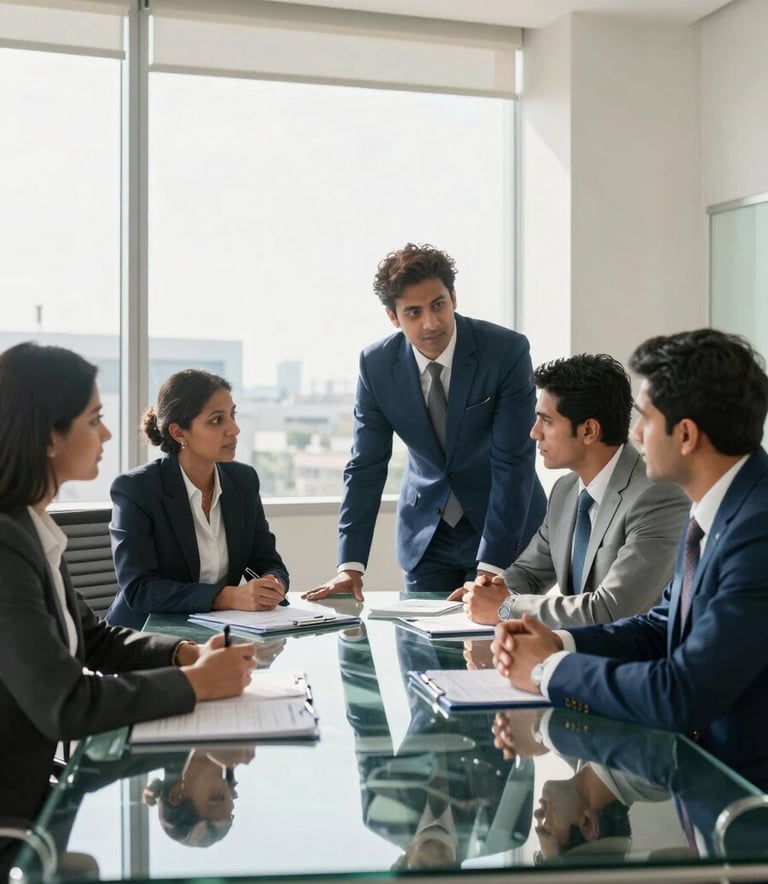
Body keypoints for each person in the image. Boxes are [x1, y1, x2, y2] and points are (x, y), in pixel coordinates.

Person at [0, 342, 255, 869]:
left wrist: (182, 654)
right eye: (94, 420)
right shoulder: (5, 545)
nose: (108, 435)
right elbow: (67, 703)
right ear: (50, 436)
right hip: (14, 817)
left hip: (36, 794)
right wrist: (195, 684)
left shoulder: (29, 527)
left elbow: (94, 637)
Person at [491, 329, 768, 787]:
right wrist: (560, 644)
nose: (634, 434)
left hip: (744, 798)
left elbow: (683, 692)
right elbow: (661, 626)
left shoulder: (757, 529)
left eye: (645, 418)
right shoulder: (715, 506)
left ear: (685, 435)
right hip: (700, 773)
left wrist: (547, 670)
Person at [304, 242, 546, 601]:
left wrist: (491, 567)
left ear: (454, 299)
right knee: (422, 650)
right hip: (426, 537)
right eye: (413, 313)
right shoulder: (376, 365)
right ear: (393, 317)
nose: (430, 323)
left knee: (493, 651)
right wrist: (350, 565)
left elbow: (514, 461)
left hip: (504, 531)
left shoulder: (505, 351)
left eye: (438, 305)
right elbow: (365, 466)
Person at [451, 354, 689, 627]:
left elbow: (613, 609)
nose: (534, 433)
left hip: (635, 661)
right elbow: (529, 573)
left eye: (547, 421)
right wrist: (487, 590)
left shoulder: (657, 496)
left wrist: (507, 608)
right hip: (575, 652)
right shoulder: (565, 491)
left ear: (589, 430)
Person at [105, 369, 289, 629]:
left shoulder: (243, 481)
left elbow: (268, 561)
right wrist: (227, 596)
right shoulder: (136, 489)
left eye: (232, 415)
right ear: (179, 433)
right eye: (216, 420)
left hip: (213, 632)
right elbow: (140, 590)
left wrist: (273, 583)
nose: (234, 429)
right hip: (142, 638)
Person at [143, 747, 254, 848]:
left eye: (217, 796)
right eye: (232, 793)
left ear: (178, 793)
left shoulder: (152, 739)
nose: (227, 783)